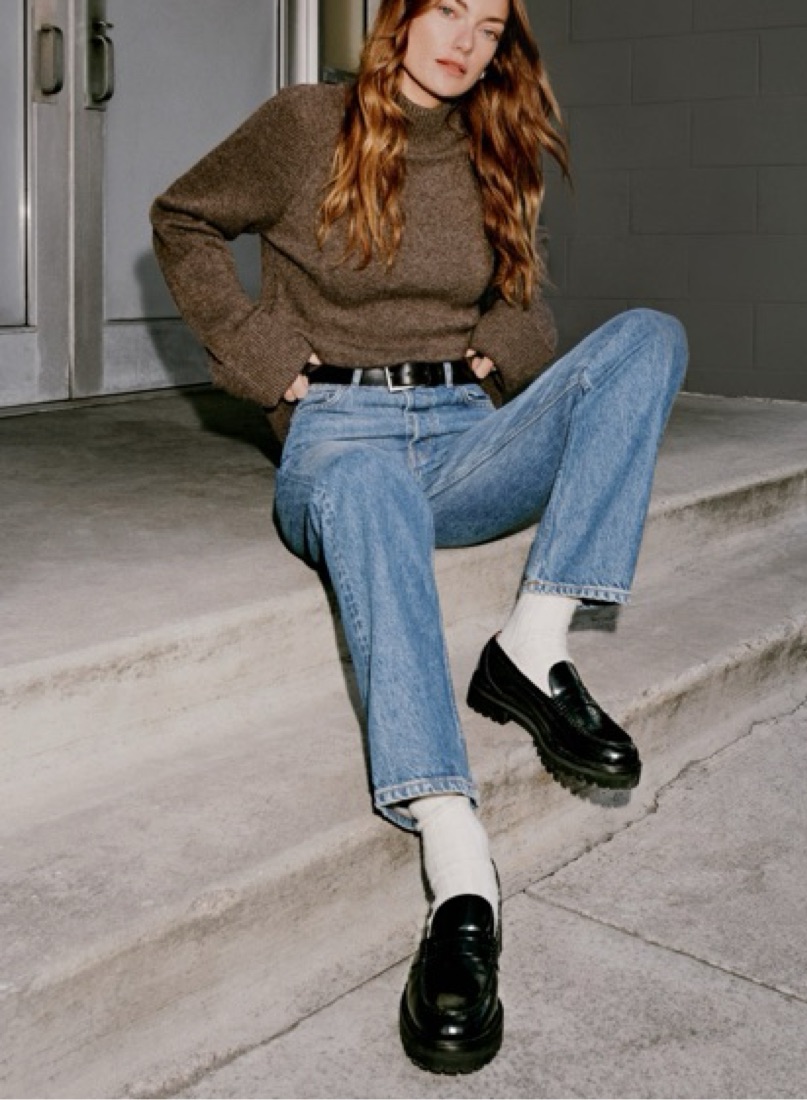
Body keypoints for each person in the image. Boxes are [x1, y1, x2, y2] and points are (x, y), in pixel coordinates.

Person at [151, 0, 687, 1076]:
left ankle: (532, 646)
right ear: (398, 13)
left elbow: (521, 295)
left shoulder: (496, 140)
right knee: (368, 486)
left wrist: (499, 347)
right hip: (339, 438)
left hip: (459, 436)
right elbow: (183, 220)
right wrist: (265, 362)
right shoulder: (306, 125)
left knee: (649, 339)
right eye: (447, 9)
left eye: (489, 26)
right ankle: (460, 869)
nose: (465, 43)